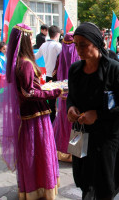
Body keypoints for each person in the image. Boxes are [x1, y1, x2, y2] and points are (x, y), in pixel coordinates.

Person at [66, 22, 119, 199]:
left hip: (107, 136)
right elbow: (71, 97)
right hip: (81, 133)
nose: (79, 49)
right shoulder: (75, 70)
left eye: (84, 44)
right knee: (85, 181)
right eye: (76, 44)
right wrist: (71, 108)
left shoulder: (114, 69)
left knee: (105, 184)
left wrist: (97, 115)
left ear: (96, 43)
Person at [0, 23, 63, 199]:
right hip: (35, 115)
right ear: (26, 40)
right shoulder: (26, 63)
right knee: (39, 152)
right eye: (30, 37)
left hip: (28, 114)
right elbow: (29, 92)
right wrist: (54, 91)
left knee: (32, 153)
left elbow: (28, 88)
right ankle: (41, 186)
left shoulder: (18, 62)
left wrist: (43, 86)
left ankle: (33, 187)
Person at [52, 32, 80, 162]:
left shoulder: (60, 56)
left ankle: (61, 150)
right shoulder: (79, 57)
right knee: (74, 123)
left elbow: (55, 75)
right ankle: (75, 153)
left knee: (63, 122)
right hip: (74, 97)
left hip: (62, 96)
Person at [35, 25, 62, 123]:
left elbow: (35, 56)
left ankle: (51, 120)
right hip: (56, 75)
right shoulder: (57, 45)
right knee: (59, 98)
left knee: (51, 100)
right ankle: (56, 121)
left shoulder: (43, 45)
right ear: (58, 34)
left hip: (48, 75)